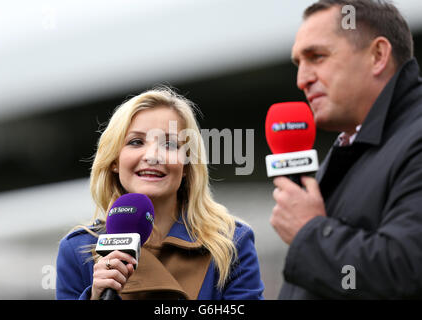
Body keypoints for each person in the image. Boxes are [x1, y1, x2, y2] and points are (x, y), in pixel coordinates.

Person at [270, 0, 422, 299]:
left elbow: (406, 270)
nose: (302, 80)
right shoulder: (353, 146)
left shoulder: (414, 140)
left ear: (377, 55)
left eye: (317, 57)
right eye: (299, 63)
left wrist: (309, 231)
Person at [56, 86, 264, 300]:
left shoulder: (230, 243)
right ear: (114, 161)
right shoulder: (77, 250)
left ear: (187, 165)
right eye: (136, 142)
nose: (153, 156)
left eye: (170, 144)